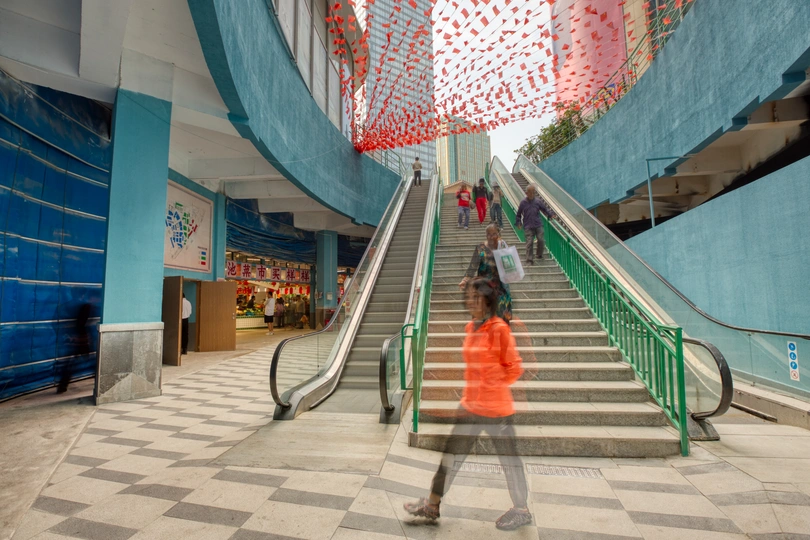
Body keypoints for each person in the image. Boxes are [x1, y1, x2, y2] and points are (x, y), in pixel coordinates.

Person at [403, 278, 532, 531]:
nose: (471, 302)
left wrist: (492, 385)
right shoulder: (471, 327)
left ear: (488, 300)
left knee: (509, 461)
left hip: (497, 410)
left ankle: (522, 511)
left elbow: (515, 367)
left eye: (476, 297)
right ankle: (432, 505)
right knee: (450, 458)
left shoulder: (499, 329)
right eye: (469, 297)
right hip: (470, 407)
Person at [458, 223, 512, 324]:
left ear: (498, 234)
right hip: (484, 286)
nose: (491, 237)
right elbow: (473, 265)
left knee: (501, 317)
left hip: (500, 287)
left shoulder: (503, 247)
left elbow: (510, 265)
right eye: (489, 234)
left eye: (494, 234)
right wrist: (465, 279)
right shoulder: (480, 248)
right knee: (485, 316)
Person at [515, 185, 555, 265]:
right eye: (530, 192)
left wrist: (550, 214)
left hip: (538, 224)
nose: (532, 194)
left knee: (541, 240)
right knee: (529, 242)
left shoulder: (538, 201)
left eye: (534, 192)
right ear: (526, 193)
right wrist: (518, 222)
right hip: (528, 225)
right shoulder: (523, 203)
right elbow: (518, 214)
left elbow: (545, 209)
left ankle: (539, 254)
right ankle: (529, 260)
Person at [57, 303, 92, 393]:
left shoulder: (74, 306)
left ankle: (62, 385)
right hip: (79, 343)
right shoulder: (86, 307)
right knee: (71, 364)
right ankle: (62, 385)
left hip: (76, 343)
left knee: (69, 364)